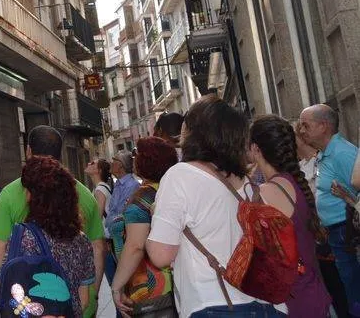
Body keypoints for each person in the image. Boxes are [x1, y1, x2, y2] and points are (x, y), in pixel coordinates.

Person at [146, 94, 286, 317]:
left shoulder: (180, 176)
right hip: (269, 306)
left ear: (192, 132)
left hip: (215, 303)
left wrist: (156, 220)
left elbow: (161, 255)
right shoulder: (249, 184)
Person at [0, 126, 106, 318]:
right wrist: (93, 296)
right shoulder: (85, 197)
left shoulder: (10, 195)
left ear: (28, 151)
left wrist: (6, 301)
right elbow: (98, 249)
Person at [248, 115, 331, 316]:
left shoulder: (266, 192)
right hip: (313, 292)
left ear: (256, 149)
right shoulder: (294, 183)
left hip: (292, 302)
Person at [1, 155, 96, 317]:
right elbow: (84, 298)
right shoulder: (82, 240)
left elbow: (6, 284)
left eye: (28, 192)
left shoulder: (25, 237)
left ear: (35, 198)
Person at [298, 104, 360, 316]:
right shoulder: (325, 153)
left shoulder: (342, 153)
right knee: (349, 291)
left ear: (323, 126)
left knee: (354, 291)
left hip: (348, 233)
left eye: (306, 125)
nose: (301, 131)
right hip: (336, 234)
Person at [109, 137, 179, 318]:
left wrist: (116, 286)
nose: (134, 159)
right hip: (176, 283)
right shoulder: (170, 190)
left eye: (137, 155)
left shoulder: (142, 197)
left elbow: (135, 246)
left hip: (149, 289)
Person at [105, 150, 139, 291]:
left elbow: (121, 214)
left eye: (114, 160)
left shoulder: (132, 186)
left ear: (121, 165)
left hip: (122, 241)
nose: (111, 163)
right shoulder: (118, 184)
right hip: (112, 238)